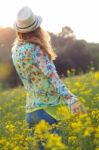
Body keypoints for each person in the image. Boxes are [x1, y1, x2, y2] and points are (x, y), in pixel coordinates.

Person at [11, 6, 85, 134]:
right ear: (37, 28)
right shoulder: (36, 49)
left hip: (31, 113)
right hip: (49, 111)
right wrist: (72, 100)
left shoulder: (15, 52)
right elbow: (53, 78)